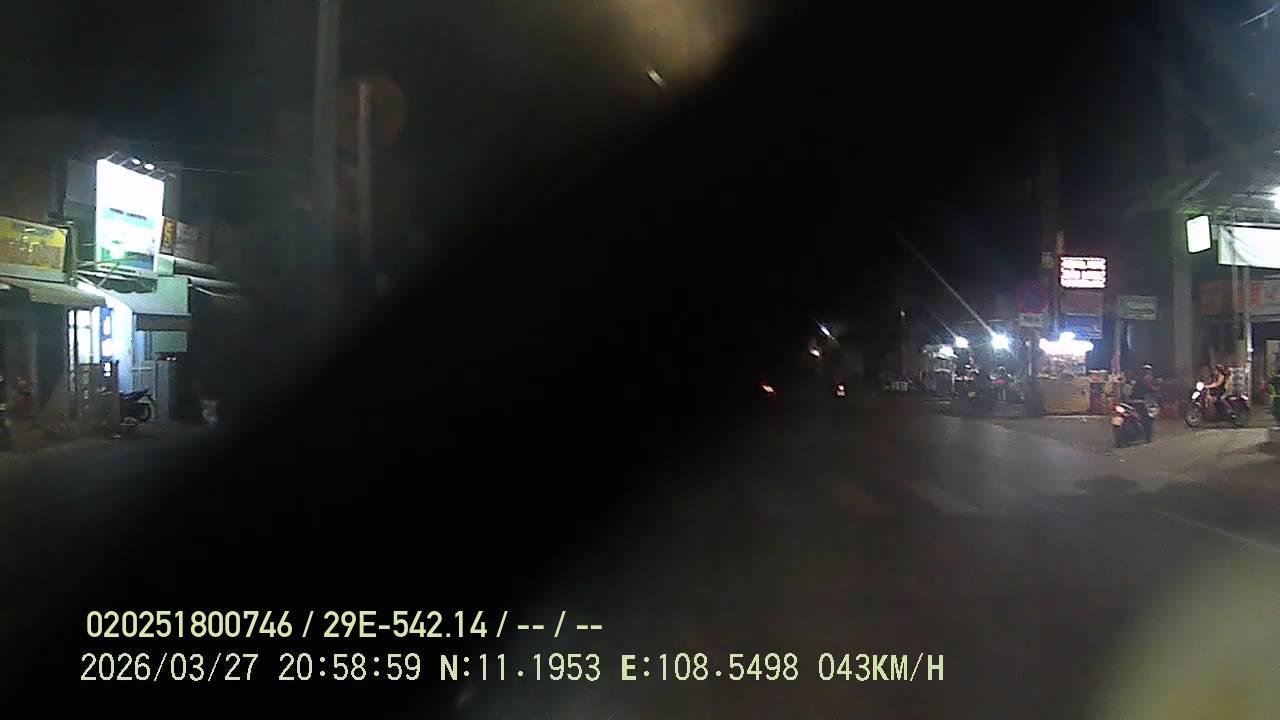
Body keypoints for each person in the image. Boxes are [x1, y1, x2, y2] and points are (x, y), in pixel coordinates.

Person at [1128, 364, 1158, 442]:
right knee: (1147, 419)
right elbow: (1150, 389)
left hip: (1134, 401)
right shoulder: (1146, 379)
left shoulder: (1139, 379)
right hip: (1141, 401)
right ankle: (1147, 437)